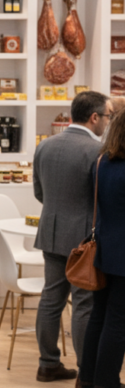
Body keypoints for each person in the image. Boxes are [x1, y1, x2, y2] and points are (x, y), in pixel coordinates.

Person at [31, 90, 110, 381]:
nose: (107, 123)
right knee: (84, 304)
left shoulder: (45, 145)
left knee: (50, 298)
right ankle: (85, 371)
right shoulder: (98, 151)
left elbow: (39, 192)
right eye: (107, 116)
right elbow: (104, 198)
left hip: (50, 233)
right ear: (94, 117)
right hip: (84, 239)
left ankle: (47, 363)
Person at [78, 109, 125, 388]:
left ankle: (88, 378)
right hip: (122, 255)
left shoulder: (102, 162)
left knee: (100, 314)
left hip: (104, 248)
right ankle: (107, 382)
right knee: (118, 321)